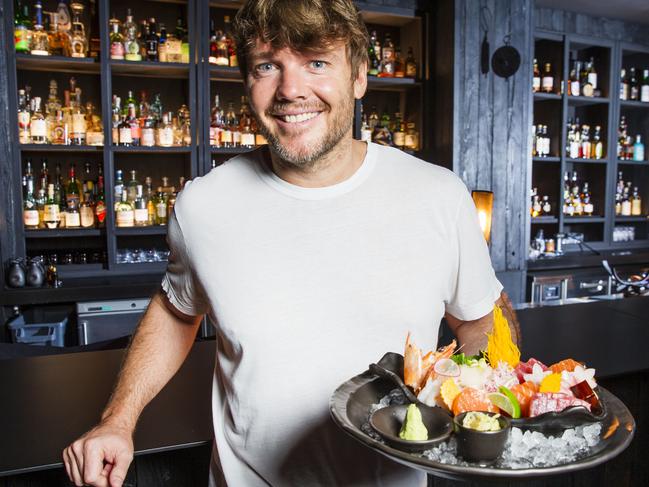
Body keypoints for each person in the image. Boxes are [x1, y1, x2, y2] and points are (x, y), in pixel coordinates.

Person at [63, 0, 520, 486]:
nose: (291, 90)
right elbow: (177, 310)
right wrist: (118, 419)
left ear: (359, 76)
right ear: (246, 84)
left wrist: (474, 389)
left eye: (317, 62)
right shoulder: (204, 206)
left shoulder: (438, 195)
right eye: (267, 66)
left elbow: (481, 317)